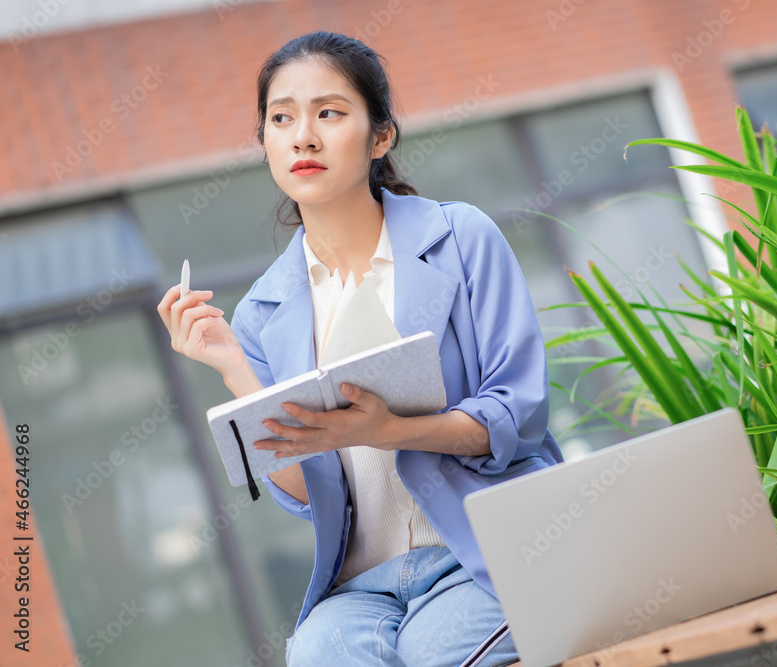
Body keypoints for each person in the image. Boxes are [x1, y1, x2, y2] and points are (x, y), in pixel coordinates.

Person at [156, 31, 563, 666]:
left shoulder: (460, 239)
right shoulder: (263, 313)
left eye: (329, 113)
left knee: (434, 650)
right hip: (361, 585)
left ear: (380, 137)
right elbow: (304, 488)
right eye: (281, 118)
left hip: (483, 546)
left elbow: (518, 417)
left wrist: (392, 429)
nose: (303, 137)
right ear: (264, 142)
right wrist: (232, 365)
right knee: (316, 654)